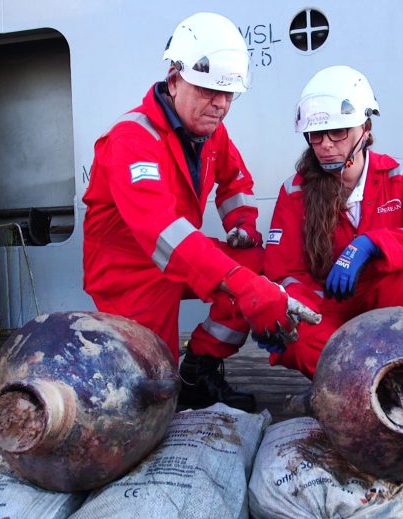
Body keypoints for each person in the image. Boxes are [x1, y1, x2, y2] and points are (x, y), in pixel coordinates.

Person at [82, 12, 317, 412]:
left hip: (181, 255)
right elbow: (163, 233)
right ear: (175, 79)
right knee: (151, 388)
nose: (221, 105)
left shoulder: (210, 131)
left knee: (256, 262)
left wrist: (241, 224)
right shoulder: (130, 141)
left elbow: (235, 180)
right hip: (130, 272)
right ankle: (168, 380)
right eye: (209, 91)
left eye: (229, 95)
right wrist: (246, 288)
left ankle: (200, 367)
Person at [261, 65, 403, 379]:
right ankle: (375, 386)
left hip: (387, 304)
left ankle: (402, 371)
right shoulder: (295, 191)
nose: (326, 144)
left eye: (338, 132)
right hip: (328, 309)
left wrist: (372, 245)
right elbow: (283, 272)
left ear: (365, 129)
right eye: (316, 134)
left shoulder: (400, 176)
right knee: (298, 338)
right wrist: (301, 308)